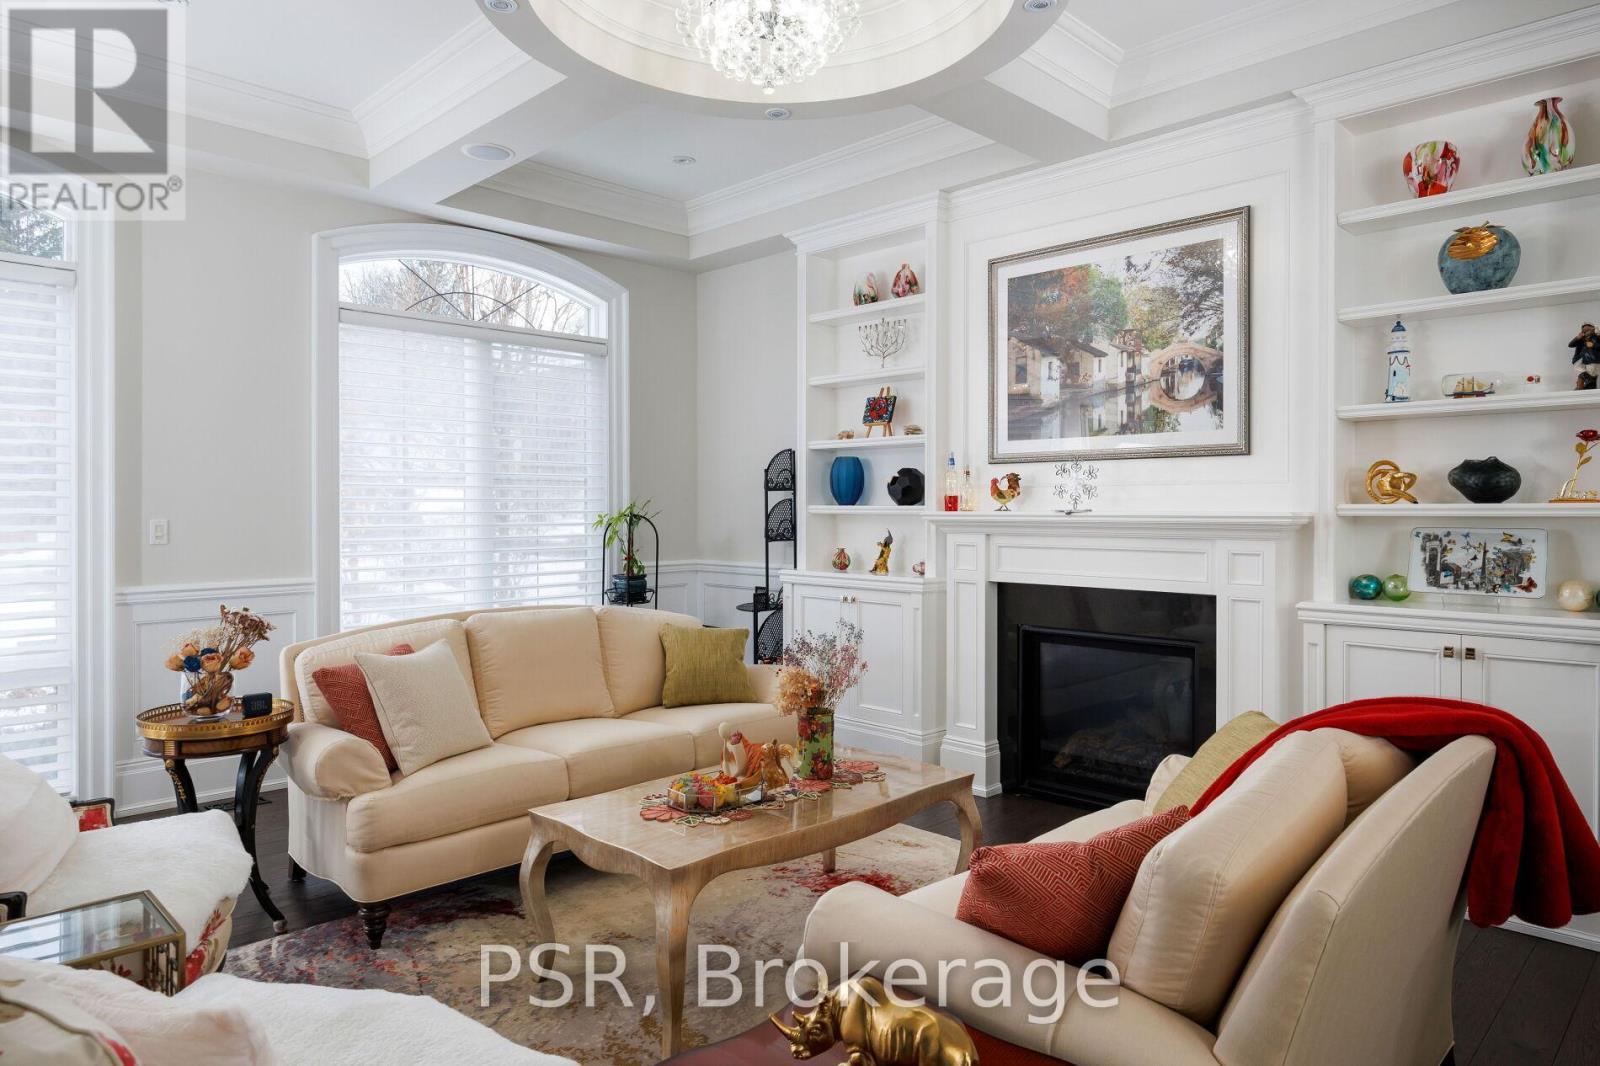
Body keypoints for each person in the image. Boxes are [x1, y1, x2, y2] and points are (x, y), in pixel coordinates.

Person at [1571, 322, 1599, 390]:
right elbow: (1570, 345)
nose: (1586, 331)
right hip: (1580, 360)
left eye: (1588, 329)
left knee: (1590, 375)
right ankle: (1583, 387)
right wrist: (1577, 337)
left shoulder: (1596, 337)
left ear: (1592, 329)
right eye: (1584, 329)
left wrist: (1593, 345)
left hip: (1592, 360)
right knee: (1585, 375)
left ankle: (1583, 387)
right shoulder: (1581, 338)